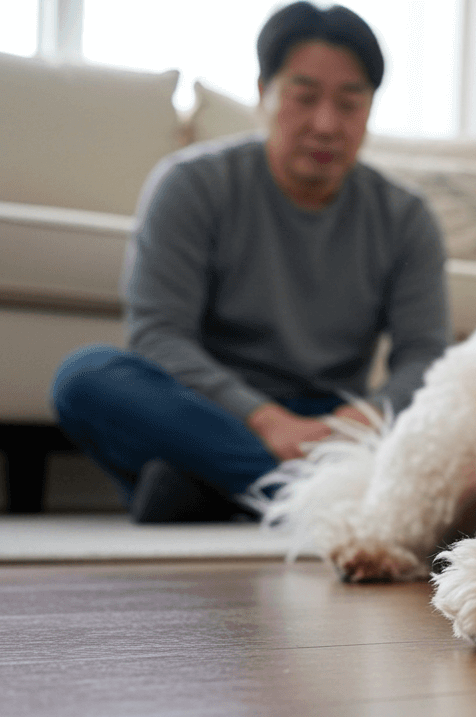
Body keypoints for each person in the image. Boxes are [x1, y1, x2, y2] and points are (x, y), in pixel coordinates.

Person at [50, 2, 449, 523]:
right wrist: (263, 420)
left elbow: (425, 360)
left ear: (371, 108)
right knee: (85, 377)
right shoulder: (190, 184)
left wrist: (361, 419)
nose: (326, 125)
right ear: (263, 94)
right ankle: (312, 494)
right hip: (212, 411)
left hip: (332, 424)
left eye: (350, 104)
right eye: (304, 98)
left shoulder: (406, 217)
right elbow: (158, 335)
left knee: (460, 404)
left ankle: (220, 486)